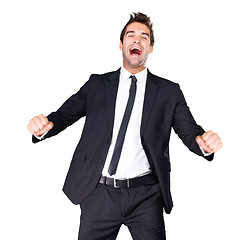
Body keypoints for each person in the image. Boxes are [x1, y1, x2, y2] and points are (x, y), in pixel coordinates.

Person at [27, 12, 223, 240]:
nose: (137, 40)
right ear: (121, 44)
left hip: (146, 196)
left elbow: (190, 132)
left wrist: (204, 144)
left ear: (150, 48)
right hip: (99, 193)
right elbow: (62, 116)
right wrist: (44, 127)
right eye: (131, 35)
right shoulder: (97, 85)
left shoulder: (169, 92)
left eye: (145, 37)